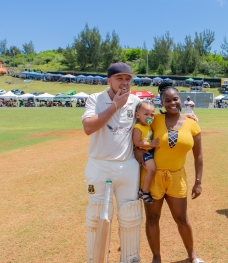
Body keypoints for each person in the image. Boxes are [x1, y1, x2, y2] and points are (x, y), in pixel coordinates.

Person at [81, 62, 142, 263]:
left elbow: (151, 121)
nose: (125, 83)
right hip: (99, 166)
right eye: (119, 79)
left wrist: (185, 117)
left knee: (131, 216)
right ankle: (96, 259)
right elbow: (88, 127)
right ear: (109, 81)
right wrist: (116, 106)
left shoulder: (136, 101)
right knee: (98, 215)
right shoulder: (95, 99)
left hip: (127, 166)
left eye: (128, 79)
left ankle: (130, 259)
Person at [136, 82, 204, 263]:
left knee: (182, 218)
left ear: (180, 100)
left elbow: (198, 156)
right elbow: (137, 131)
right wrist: (140, 154)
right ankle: (156, 257)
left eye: (175, 99)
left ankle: (192, 255)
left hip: (176, 177)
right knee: (152, 218)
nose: (172, 103)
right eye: (167, 101)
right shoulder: (154, 120)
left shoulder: (192, 124)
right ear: (162, 103)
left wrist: (198, 181)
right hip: (153, 177)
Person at [132, 100, 160, 204]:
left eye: (152, 115)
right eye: (146, 114)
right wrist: (151, 144)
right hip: (145, 153)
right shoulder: (138, 127)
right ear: (137, 115)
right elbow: (137, 142)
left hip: (149, 152)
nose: (150, 117)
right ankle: (144, 191)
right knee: (152, 170)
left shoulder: (147, 125)